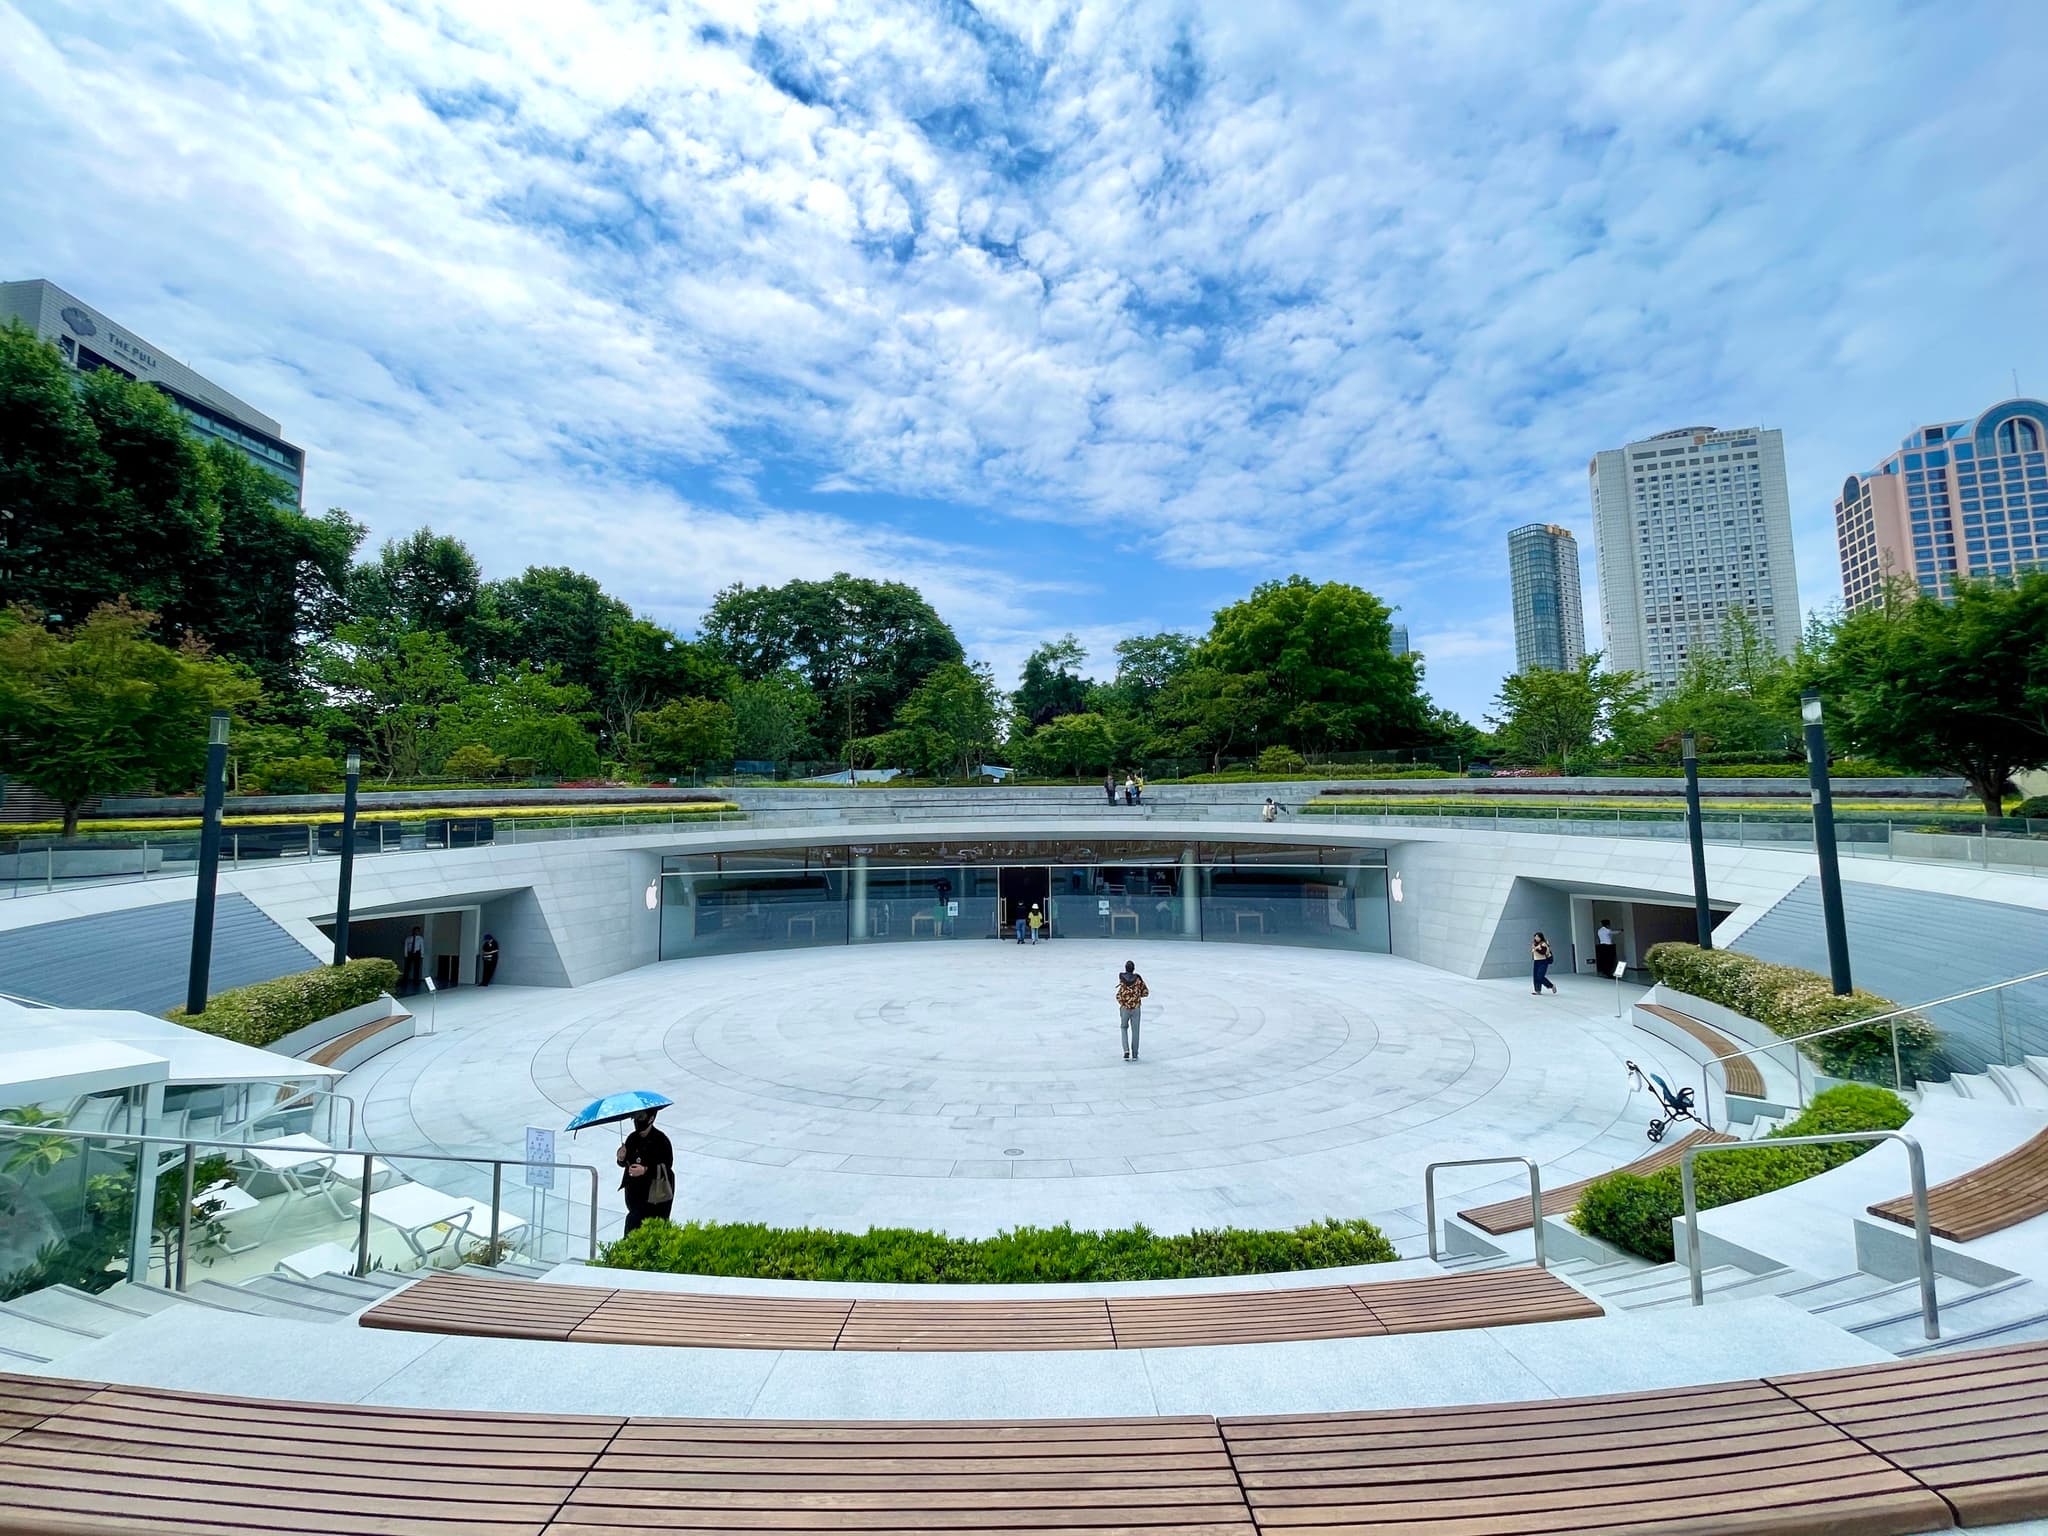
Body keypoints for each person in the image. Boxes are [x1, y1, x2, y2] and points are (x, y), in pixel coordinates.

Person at [617, 1108, 674, 1236]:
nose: (637, 1121)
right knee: (634, 1222)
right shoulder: (632, 1138)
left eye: (641, 1117)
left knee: (638, 1224)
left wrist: (645, 1170)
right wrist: (621, 1158)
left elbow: (666, 1168)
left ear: (651, 1118)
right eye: (635, 1117)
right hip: (635, 1194)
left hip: (655, 1196)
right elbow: (627, 1163)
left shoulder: (661, 1140)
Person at [1115, 960, 1149, 1061]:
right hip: (1136, 1008)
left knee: (1123, 1027)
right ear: (1133, 969)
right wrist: (1137, 997)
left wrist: (1122, 1002)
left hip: (1125, 1008)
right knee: (1135, 1031)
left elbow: (1119, 994)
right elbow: (1146, 992)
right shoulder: (1138, 980)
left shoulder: (1122, 979)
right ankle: (1134, 1054)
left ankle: (1126, 1050)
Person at [401, 926, 425, 992]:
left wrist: (422, 955)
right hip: (410, 953)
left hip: (417, 953)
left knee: (416, 968)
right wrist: (405, 954)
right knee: (407, 968)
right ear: (413, 931)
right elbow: (406, 946)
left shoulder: (420, 939)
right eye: (415, 931)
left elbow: (422, 946)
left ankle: (416, 981)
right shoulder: (408, 938)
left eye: (417, 931)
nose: (416, 932)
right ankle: (404, 981)